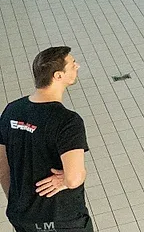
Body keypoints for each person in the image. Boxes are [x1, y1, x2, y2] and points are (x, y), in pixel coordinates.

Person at [0, 47, 93, 232]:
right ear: (58, 76)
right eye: (73, 64)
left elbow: (2, 167)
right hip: (62, 221)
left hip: (22, 217)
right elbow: (74, 178)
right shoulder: (67, 121)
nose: (78, 66)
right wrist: (66, 180)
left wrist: (20, 200)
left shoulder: (12, 110)